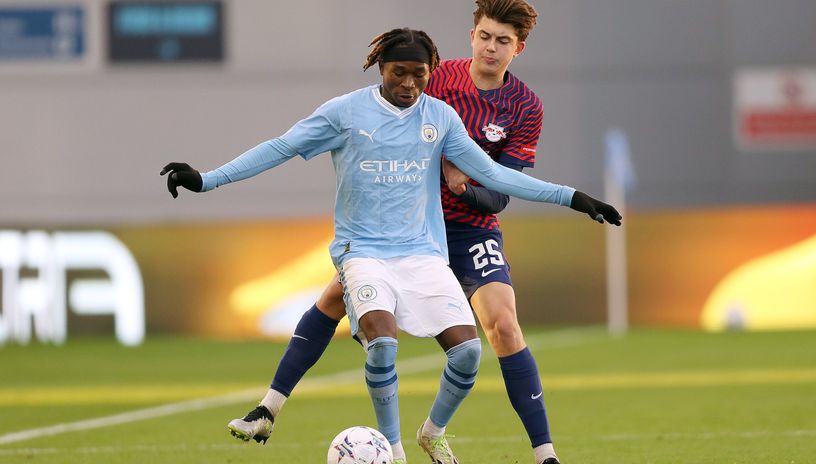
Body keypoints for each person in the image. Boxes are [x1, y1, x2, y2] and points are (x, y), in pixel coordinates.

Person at [168, 26, 619, 464]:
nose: (408, 83)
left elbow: (498, 177)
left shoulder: (440, 117)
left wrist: (573, 198)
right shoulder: (344, 113)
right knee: (382, 341)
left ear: (431, 73)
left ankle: (431, 432)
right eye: (398, 72)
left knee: (469, 352)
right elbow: (280, 147)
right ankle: (393, 451)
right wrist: (207, 180)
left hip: (424, 253)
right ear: (380, 67)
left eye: (418, 75)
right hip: (362, 252)